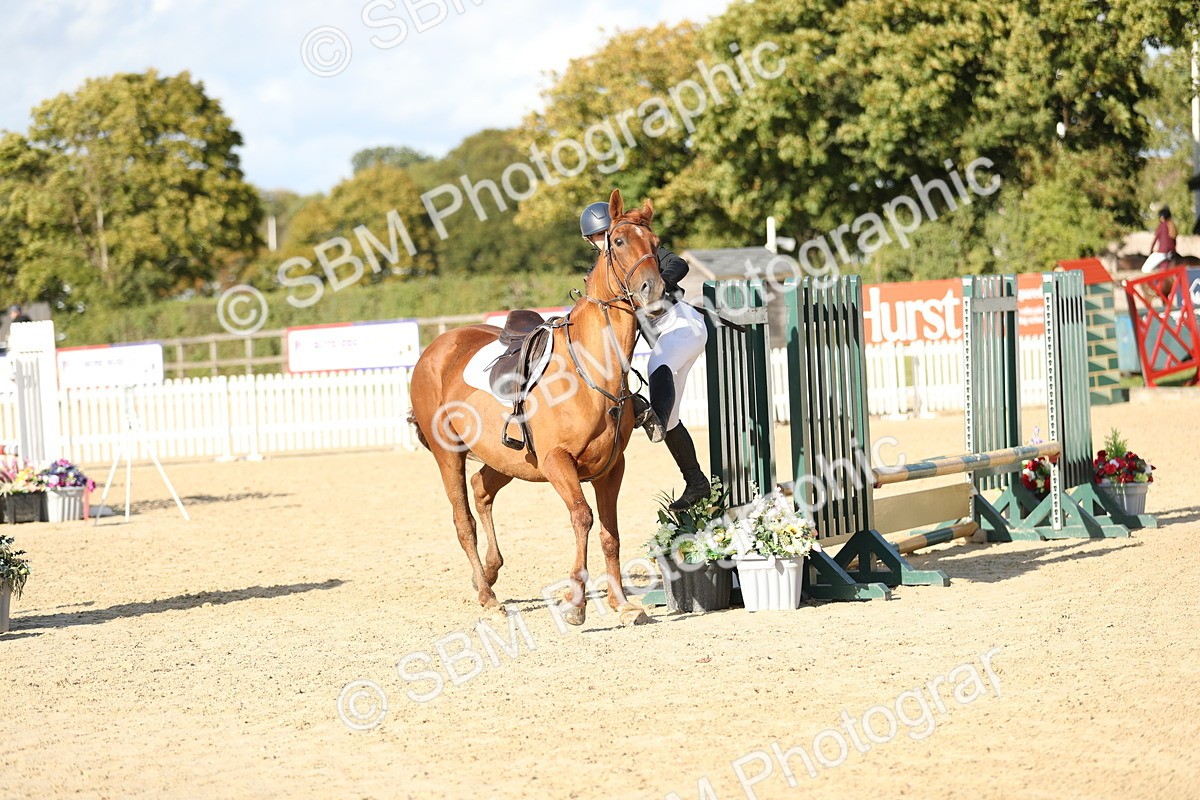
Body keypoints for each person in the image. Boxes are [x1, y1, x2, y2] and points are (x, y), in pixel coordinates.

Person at [579, 201, 711, 510]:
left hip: (682, 324)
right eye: (597, 237)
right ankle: (696, 481)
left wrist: (657, 283)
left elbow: (679, 264)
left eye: (605, 234)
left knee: (657, 363)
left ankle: (655, 419)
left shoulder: (638, 253)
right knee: (673, 417)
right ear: (590, 241)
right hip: (667, 339)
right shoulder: (604, 272)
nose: (602, 242)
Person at [1141, 206, 1178, 273]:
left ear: (1161, 217)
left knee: (1144, 270)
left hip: (1163, 253)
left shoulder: (1161, 226)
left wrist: (1151, 251)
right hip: (1172, 253)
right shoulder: (1173, 226)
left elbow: (1154, 240)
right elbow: (1174, 242)